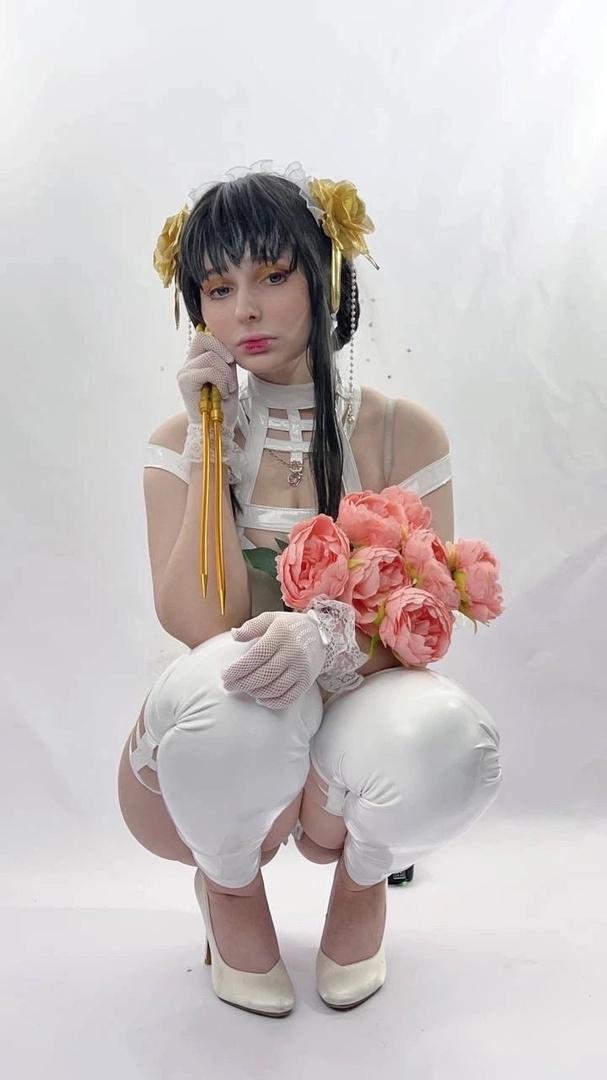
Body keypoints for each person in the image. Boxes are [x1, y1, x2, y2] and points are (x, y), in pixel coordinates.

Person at [117, 160, 503, 1018]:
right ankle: (229, 890)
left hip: (351, 743)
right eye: (218, 289)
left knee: (445, 732)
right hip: (232, 741)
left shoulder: (403, 432)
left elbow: (426, 621)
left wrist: (326, 635)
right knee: (230, 695)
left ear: (324, 275)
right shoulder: (177, 441)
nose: (245, 310)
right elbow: (201, 623)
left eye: (272, 276)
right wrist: (209, 439)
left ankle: (363, 880)